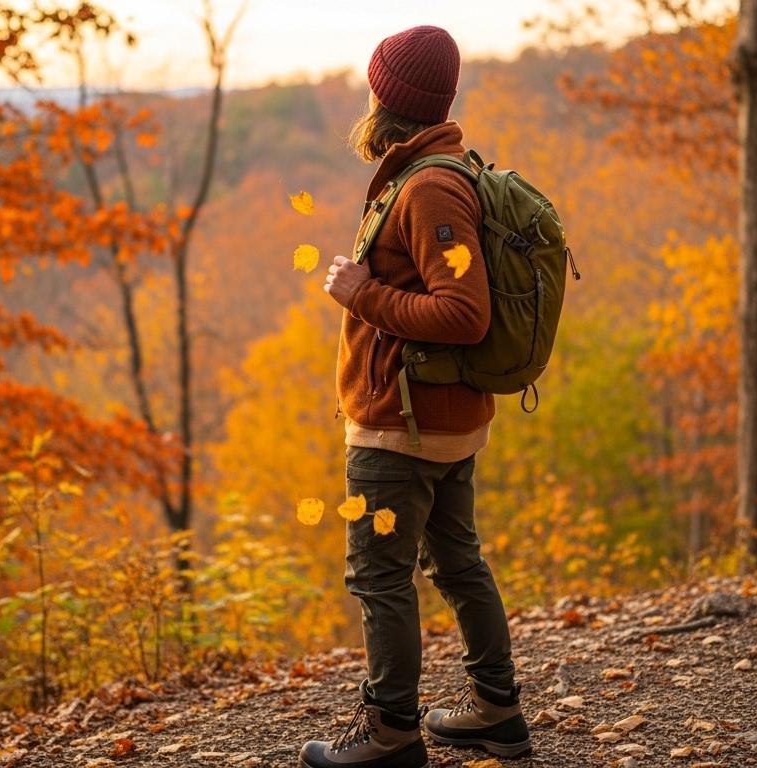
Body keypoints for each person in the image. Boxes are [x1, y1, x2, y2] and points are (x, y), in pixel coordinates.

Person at [299, 24, 530, 768]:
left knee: (380, 576)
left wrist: (362, 295)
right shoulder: (435, 172)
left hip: (403, 431)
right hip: (439, 420)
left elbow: (465, 314)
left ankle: (390, 732)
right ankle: (495, 710)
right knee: (458, 563)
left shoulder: (429, 186)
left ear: (387, 98)